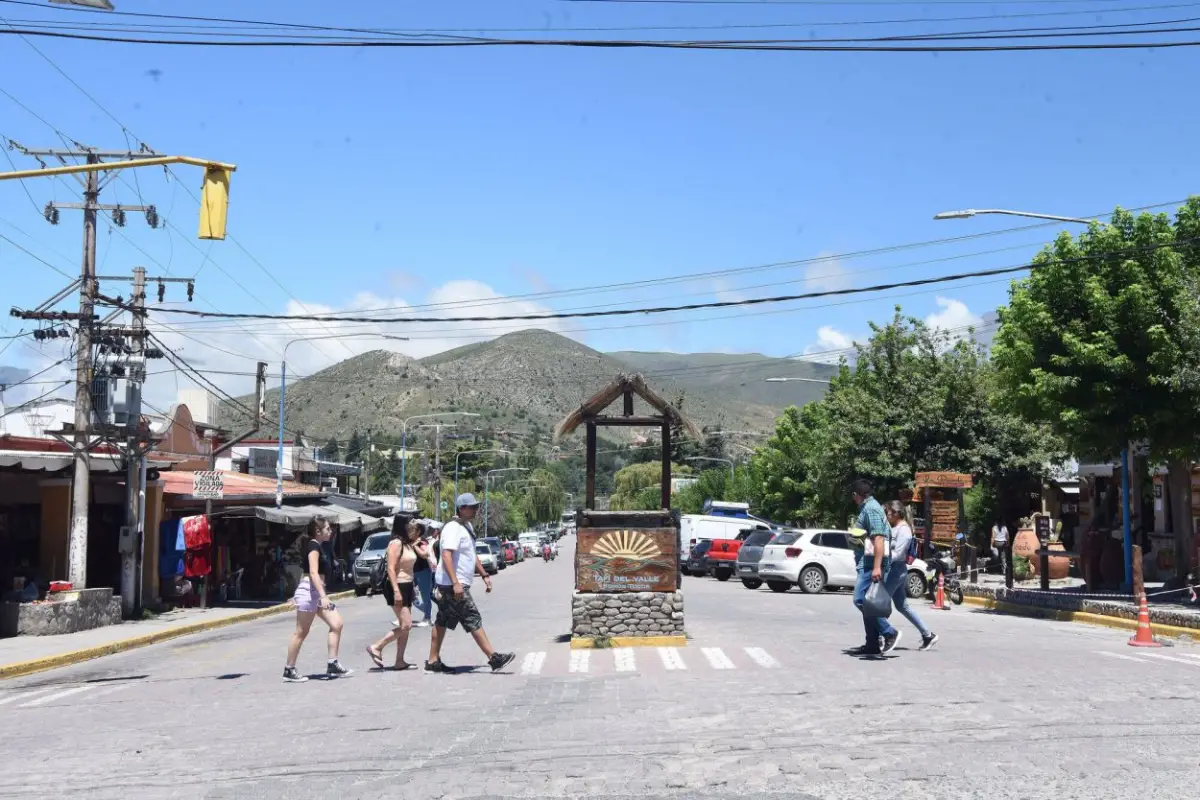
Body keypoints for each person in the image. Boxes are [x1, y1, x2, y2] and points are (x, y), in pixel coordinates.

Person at [425, 493, 515, 674]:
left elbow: (471, 555)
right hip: (452, 584)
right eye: (472, 507)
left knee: (442, 620)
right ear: (461, 508)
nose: (475, 510)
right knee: (472, 617)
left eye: (476, 507)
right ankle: (493, 658)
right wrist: (455, 583)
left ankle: (433, 661)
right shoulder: (452, 528)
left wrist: (484, 575)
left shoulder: (466, 526)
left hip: (454, 583)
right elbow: (446, 556)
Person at [283, 515, 352, 682]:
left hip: (315, 592)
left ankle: (332, 663)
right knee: (301, 632)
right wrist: (323, 596)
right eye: (328, 528)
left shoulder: (319, 546)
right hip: (311, 593)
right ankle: (289, 669)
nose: (331, 531)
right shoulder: (313, 546)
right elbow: (313, 572)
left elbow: (308, 572)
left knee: (337, 624)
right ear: (318, 531)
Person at [366, 516, 428, 670]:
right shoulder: (396, 543)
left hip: (407, 585)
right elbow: (391, 568)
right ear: (403, 525)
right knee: (406, 625)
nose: (413, 524)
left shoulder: (408, 543)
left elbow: (420, 559)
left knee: (404, 626)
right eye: (410, 522)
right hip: (397, 586)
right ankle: (377, 646)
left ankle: (399, 661)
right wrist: (396, 591)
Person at [849, 479, 898, 656]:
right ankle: (872, 643)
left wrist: (877, 567)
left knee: (860, 599)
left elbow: (879, 538)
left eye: (853, 496)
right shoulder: (868, 508)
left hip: (871, 565)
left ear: (856, 495)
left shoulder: (871, 509)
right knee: (869, 602)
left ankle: (889, 632)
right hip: (868, 563)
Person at [883, 500, 938, 652]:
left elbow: (898, 553)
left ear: (896, 513)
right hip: (895, 569)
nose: (887, 515)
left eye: (888, 512)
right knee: (902, 606)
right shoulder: (894, 528)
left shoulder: (904, 531)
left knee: (880, 603)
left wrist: (881, 557)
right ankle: (928, 635)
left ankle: (885, 634)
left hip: (896, 570)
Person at [413, 522, 436, 627]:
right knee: (410, 596)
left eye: (413, 529)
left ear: (418, 531)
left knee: (425, 596)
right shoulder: (412, 541)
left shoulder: (421, 542)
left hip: (423, 571)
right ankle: (427, 611)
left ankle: (427, 618)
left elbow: (425, 554)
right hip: (414, 572)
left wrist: (415, 546)